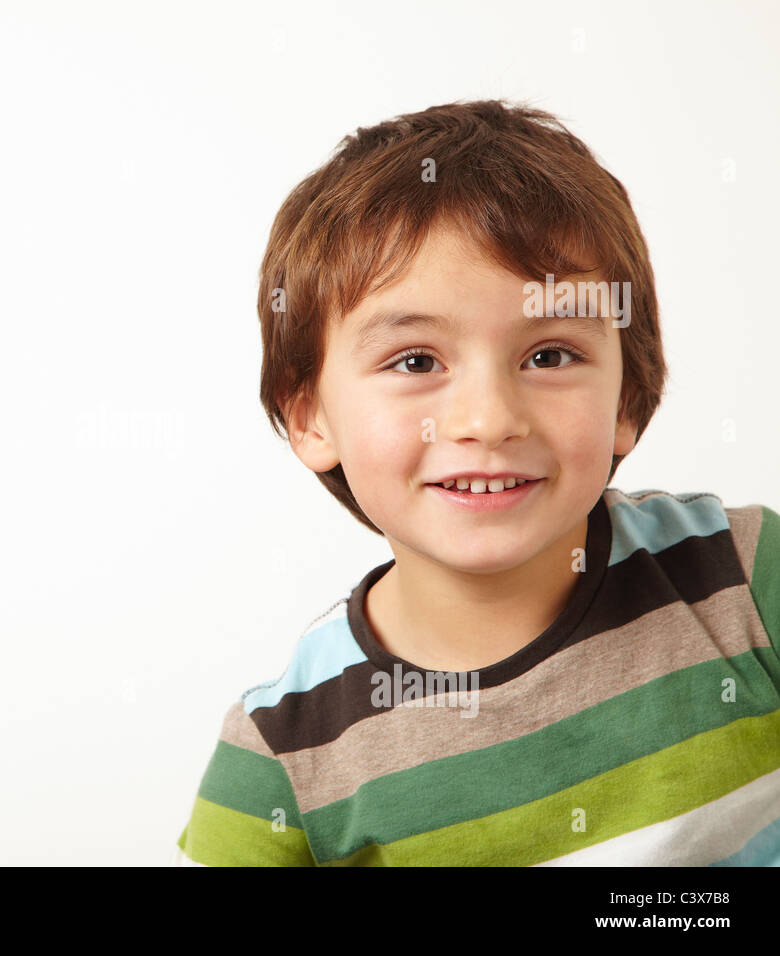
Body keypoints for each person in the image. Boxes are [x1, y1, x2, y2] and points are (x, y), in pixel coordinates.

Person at [175, 99, 780, 866]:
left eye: (550, 355)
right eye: (416, 362)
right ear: (310, 418)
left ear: (625, 401)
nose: (489, 420)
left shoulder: (749, 577)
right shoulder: (278, 763)